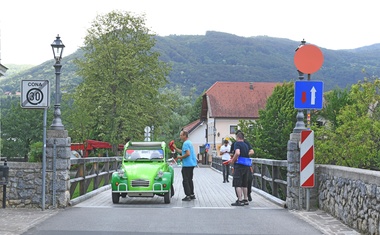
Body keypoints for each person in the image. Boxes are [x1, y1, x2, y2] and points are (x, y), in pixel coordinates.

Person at [230, 131, 254, 206]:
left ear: (237, 137)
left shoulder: (237, 144)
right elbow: (251, 152)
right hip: (246, 166)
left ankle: (240, 200)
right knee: (244, 184)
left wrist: (233, 160)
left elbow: (237, 153)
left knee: (238, 183)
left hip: (239, 166)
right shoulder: (246, 145)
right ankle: (245, 199)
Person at [172, 130, 198, 201]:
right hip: (192, 163)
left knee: (185, 180)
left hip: (187, 164)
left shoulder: (185, 144)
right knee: (190, 179)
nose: (180, 136)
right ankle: (192, 194)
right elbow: (183, 151)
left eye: (181, 135)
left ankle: (188, 195)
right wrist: (176, 148)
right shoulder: (189, 142)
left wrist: (180, 157)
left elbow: (187, 153)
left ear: (184, 136)